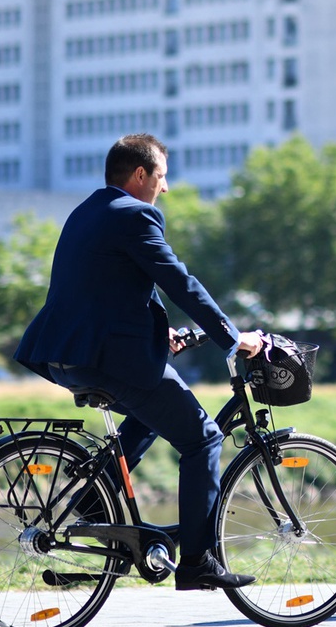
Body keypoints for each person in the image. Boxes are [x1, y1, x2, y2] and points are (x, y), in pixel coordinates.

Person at [14, 133, 264, 591]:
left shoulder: (87, 211)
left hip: (65, 354)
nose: (164, 189)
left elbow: (108, 288)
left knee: (150, 415)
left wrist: (157, 332)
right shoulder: (137, 215)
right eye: (162, 177)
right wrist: (233, 338)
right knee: (203, 439)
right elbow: (179, 283)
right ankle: (197, 561)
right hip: (110, 359)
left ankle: (98, 497)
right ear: (141, 175)